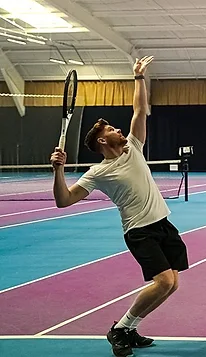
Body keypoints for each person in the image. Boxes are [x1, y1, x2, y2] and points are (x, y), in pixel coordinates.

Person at [49, 57, 188, 357]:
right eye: (112, 128)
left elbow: (140, 110)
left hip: (162, 223)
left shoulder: (134, 146)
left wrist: (138, 78)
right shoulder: (98, 172)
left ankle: (130, 328)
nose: (119, 129)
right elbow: (64, 200)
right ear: (103, 139)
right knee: (163, 280)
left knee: (172, 283)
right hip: (139, 231)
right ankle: (119, 330)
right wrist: (58, 171)